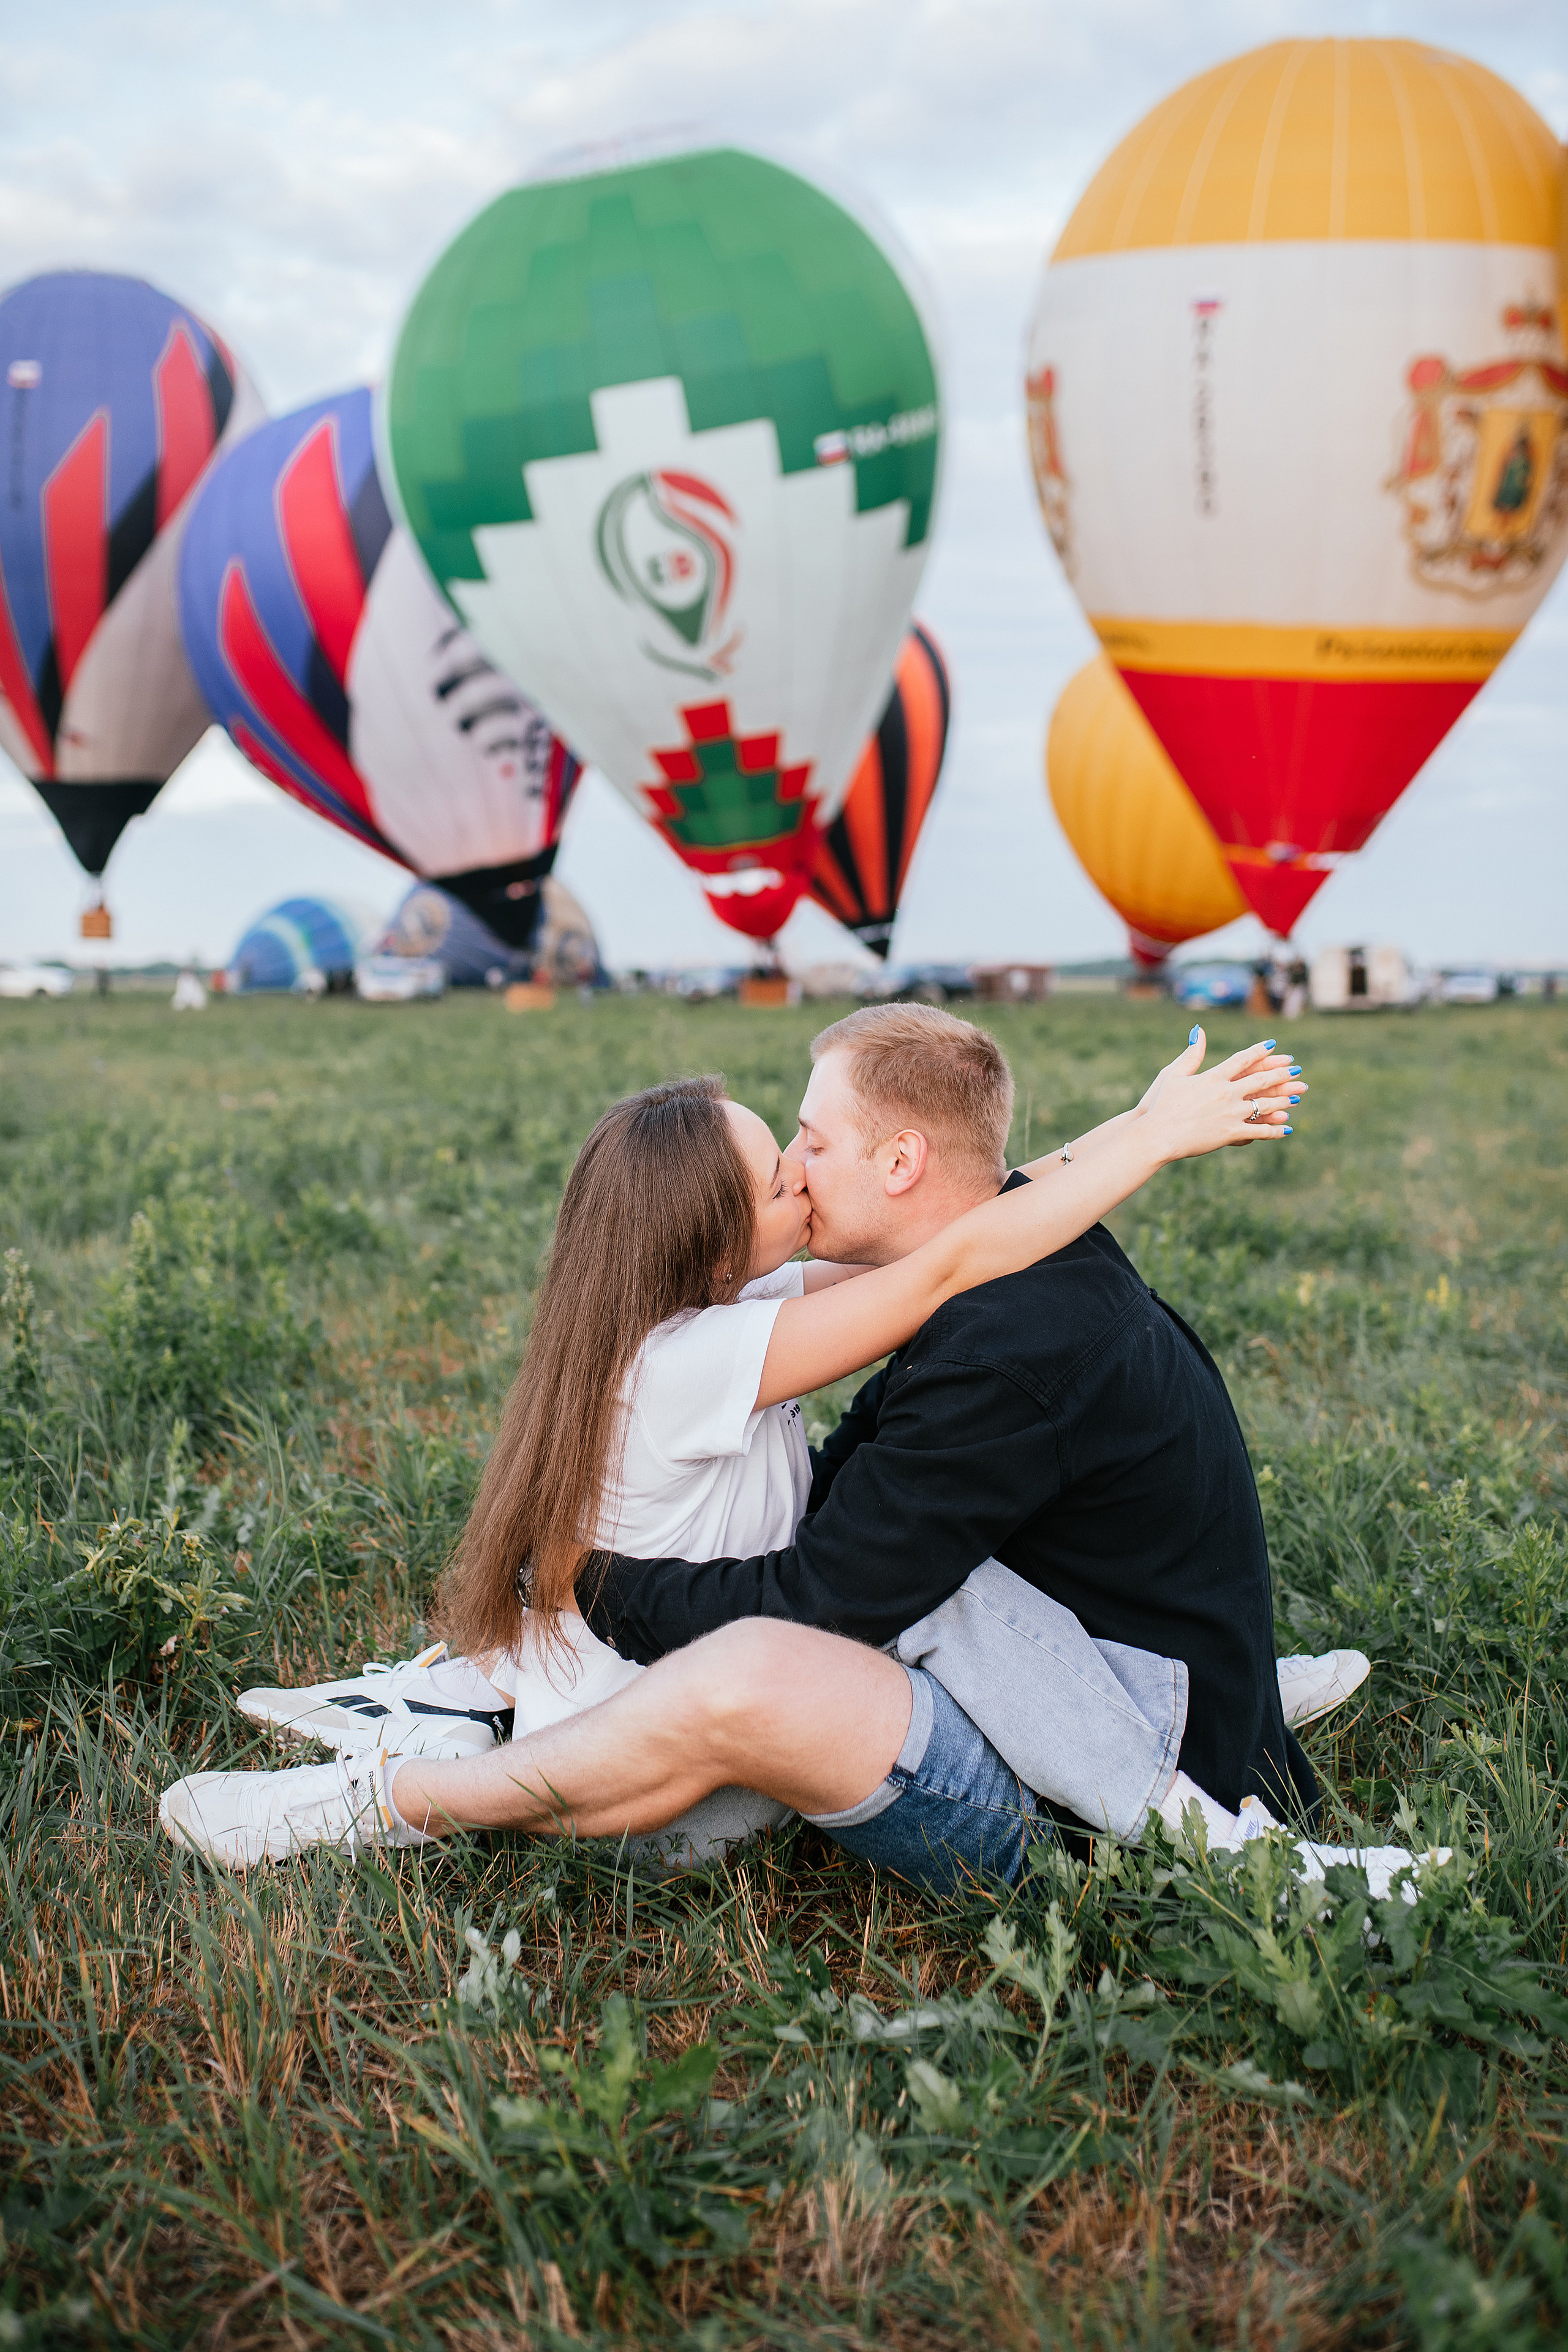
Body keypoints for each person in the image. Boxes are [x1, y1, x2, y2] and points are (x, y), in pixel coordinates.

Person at [160, 1012, 1403, 1891]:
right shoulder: (699, 1351)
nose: (803, 1179)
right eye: (781, 1167)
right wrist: (1145, 1141)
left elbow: (984, 1218)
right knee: (903, 1604)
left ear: (902, 1160)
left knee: (930, 1591)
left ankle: (1173, 1708)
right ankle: (1185, 1787)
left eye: (807, 1144)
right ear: (710, 1249)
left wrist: (1131, 1129)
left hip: (704, 1680)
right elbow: (955, 1254)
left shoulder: (729, 1311)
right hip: (660, 1756)